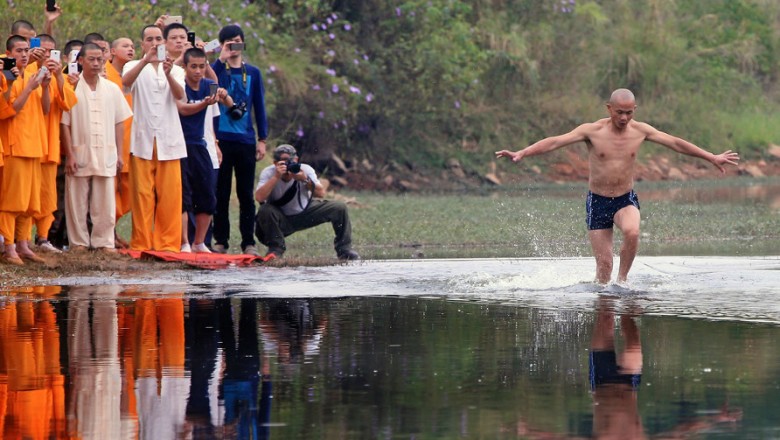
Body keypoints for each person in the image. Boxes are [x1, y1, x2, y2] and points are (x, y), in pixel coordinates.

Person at [495, 88, 740, 284]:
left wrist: (711, 157)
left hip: (625, 199)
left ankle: (622, 282)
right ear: (609, 108)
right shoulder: (592, 131)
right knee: (604, 269)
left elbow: (675, 143)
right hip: (598, 201)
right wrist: (523, 152)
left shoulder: (641, 131)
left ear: (635, 110)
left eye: (629, 113)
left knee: (632, 232)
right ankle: (604, 303)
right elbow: (556, 141)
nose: (624, 118)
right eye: (619, 112)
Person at [61, 43, 133, 252]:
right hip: (79, 150)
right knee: (76, 200)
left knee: (105, 201)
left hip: (106, 150)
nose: (95, 63)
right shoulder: (70, 87)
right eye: (90, 59)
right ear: (80, 61)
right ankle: (79, 242)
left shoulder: (112, 89)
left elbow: (120, 122)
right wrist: (70, 155)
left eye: (99, 60)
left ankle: (103, 242)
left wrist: (120, 153)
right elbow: (64, 123)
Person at [122, 25, 187, 252]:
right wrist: (145, 61)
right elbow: (126, 83)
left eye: (158, 38)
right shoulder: (133, 66)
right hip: (142, 139)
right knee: (142, 196)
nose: (154, 42)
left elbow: (181, 96)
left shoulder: (176, 69)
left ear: (165, 42)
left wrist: (168, 73)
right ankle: (141, 243)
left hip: (169, 139)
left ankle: (168, 244)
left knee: (169, 196)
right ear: (142, 44)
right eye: (149, 39)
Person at [212, 24, 268, 256]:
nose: (234, 47)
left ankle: (248, 242)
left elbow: (260, 106)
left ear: (243, 42)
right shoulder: (217, 69)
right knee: (221, 192)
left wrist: (262, 139)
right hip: (221, 138)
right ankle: (221, 241)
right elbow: (210, 82)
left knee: (245, 194)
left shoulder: (253, 72)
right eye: (228, 42)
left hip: (245, 139)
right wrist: (220, 57)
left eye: (237, 42)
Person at [254, 144, 359, 260]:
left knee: (339, 207)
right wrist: (276, 177)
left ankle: (344, 249)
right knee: (265, 210)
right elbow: (259, 198)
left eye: (291, 161)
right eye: (284, 162)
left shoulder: (305, 170)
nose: (288, 165)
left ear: (297, 160)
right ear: (275, 163)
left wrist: (304, 179)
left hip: (305, 213)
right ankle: (275, 249)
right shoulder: (268, 173)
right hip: (280, 219)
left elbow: (321, 193)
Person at [0, 35, 51, 265]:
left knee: (30, 202)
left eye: (25, 50)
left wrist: (45, 86)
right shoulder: (7, 77)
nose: (23, 54)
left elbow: (46, 109)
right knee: (12, 201)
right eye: (18, 51)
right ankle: (9, 247)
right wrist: (29, 88)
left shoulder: (33, 74)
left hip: (35, 145)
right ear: (9, 54)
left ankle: (23, 243)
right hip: (15, 146)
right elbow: (8, 111)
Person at [176, 47, 232, 253]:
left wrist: (223, 95)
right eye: (193, 67)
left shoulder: (209, 84)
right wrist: (204, 104)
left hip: (200, 144)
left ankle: (199, 242)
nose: (198, 71)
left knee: (208, 194)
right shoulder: (179, 85)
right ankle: (184, 242)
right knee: (184, 196)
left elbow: (229, 102)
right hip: (180, 145)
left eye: (202, 66)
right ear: (185, 67)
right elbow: (182, 108)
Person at [32, 33, 77, 254]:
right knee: (21, 195)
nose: (48, 55)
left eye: (52, 52)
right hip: (27, 144)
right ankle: (13, 238)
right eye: (43, 51)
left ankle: (42, 238)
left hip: (49, 146)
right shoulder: (26, 71)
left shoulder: (60, 77)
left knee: (48, 196)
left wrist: (59, 76)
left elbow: (68, 103)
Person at [106, 37, 135, 248]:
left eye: (133, 46)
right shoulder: (105, 72)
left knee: (129, 191)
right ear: (112, 51)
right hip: (111, 139)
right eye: (125, 46)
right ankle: (109, 233)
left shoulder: (133, 73)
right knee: (111, 189)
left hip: (131, 140)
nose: (130, 49)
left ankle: (112, 229)